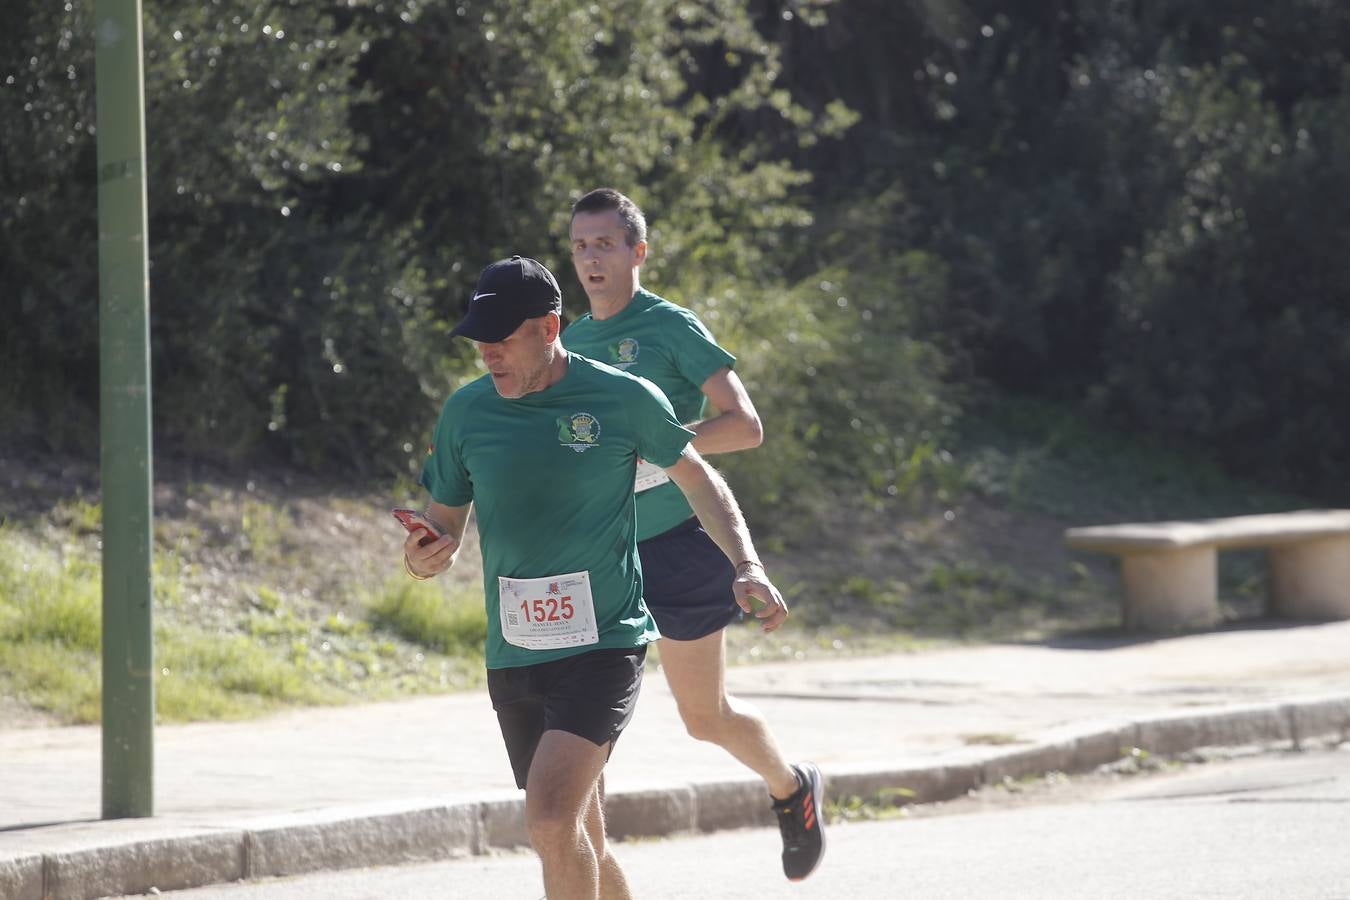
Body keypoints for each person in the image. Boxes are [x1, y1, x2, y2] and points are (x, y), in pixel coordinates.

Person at [402, 254, 792, 899]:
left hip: (603, 643)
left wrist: (747, 565)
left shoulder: (622, 397)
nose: (489, 353)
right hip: (515, 648)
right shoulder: (467, 413)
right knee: (575, 835)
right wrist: (424, 555)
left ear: (550, 327)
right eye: (480, 341)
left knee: (551, 820)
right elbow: (442, 524)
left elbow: (700, 479)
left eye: (503, 339)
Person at [561, 188, 826, 882]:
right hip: (602, 554)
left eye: (606, 244)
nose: (592, 258)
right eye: (581, 246)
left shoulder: (670, 326)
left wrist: (657, 446)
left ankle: (792, 787)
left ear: (636, 252)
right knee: (585, 730)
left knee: (704, 717)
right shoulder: (567, 343)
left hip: (677, 541)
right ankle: (588, 872)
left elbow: (745, 423)